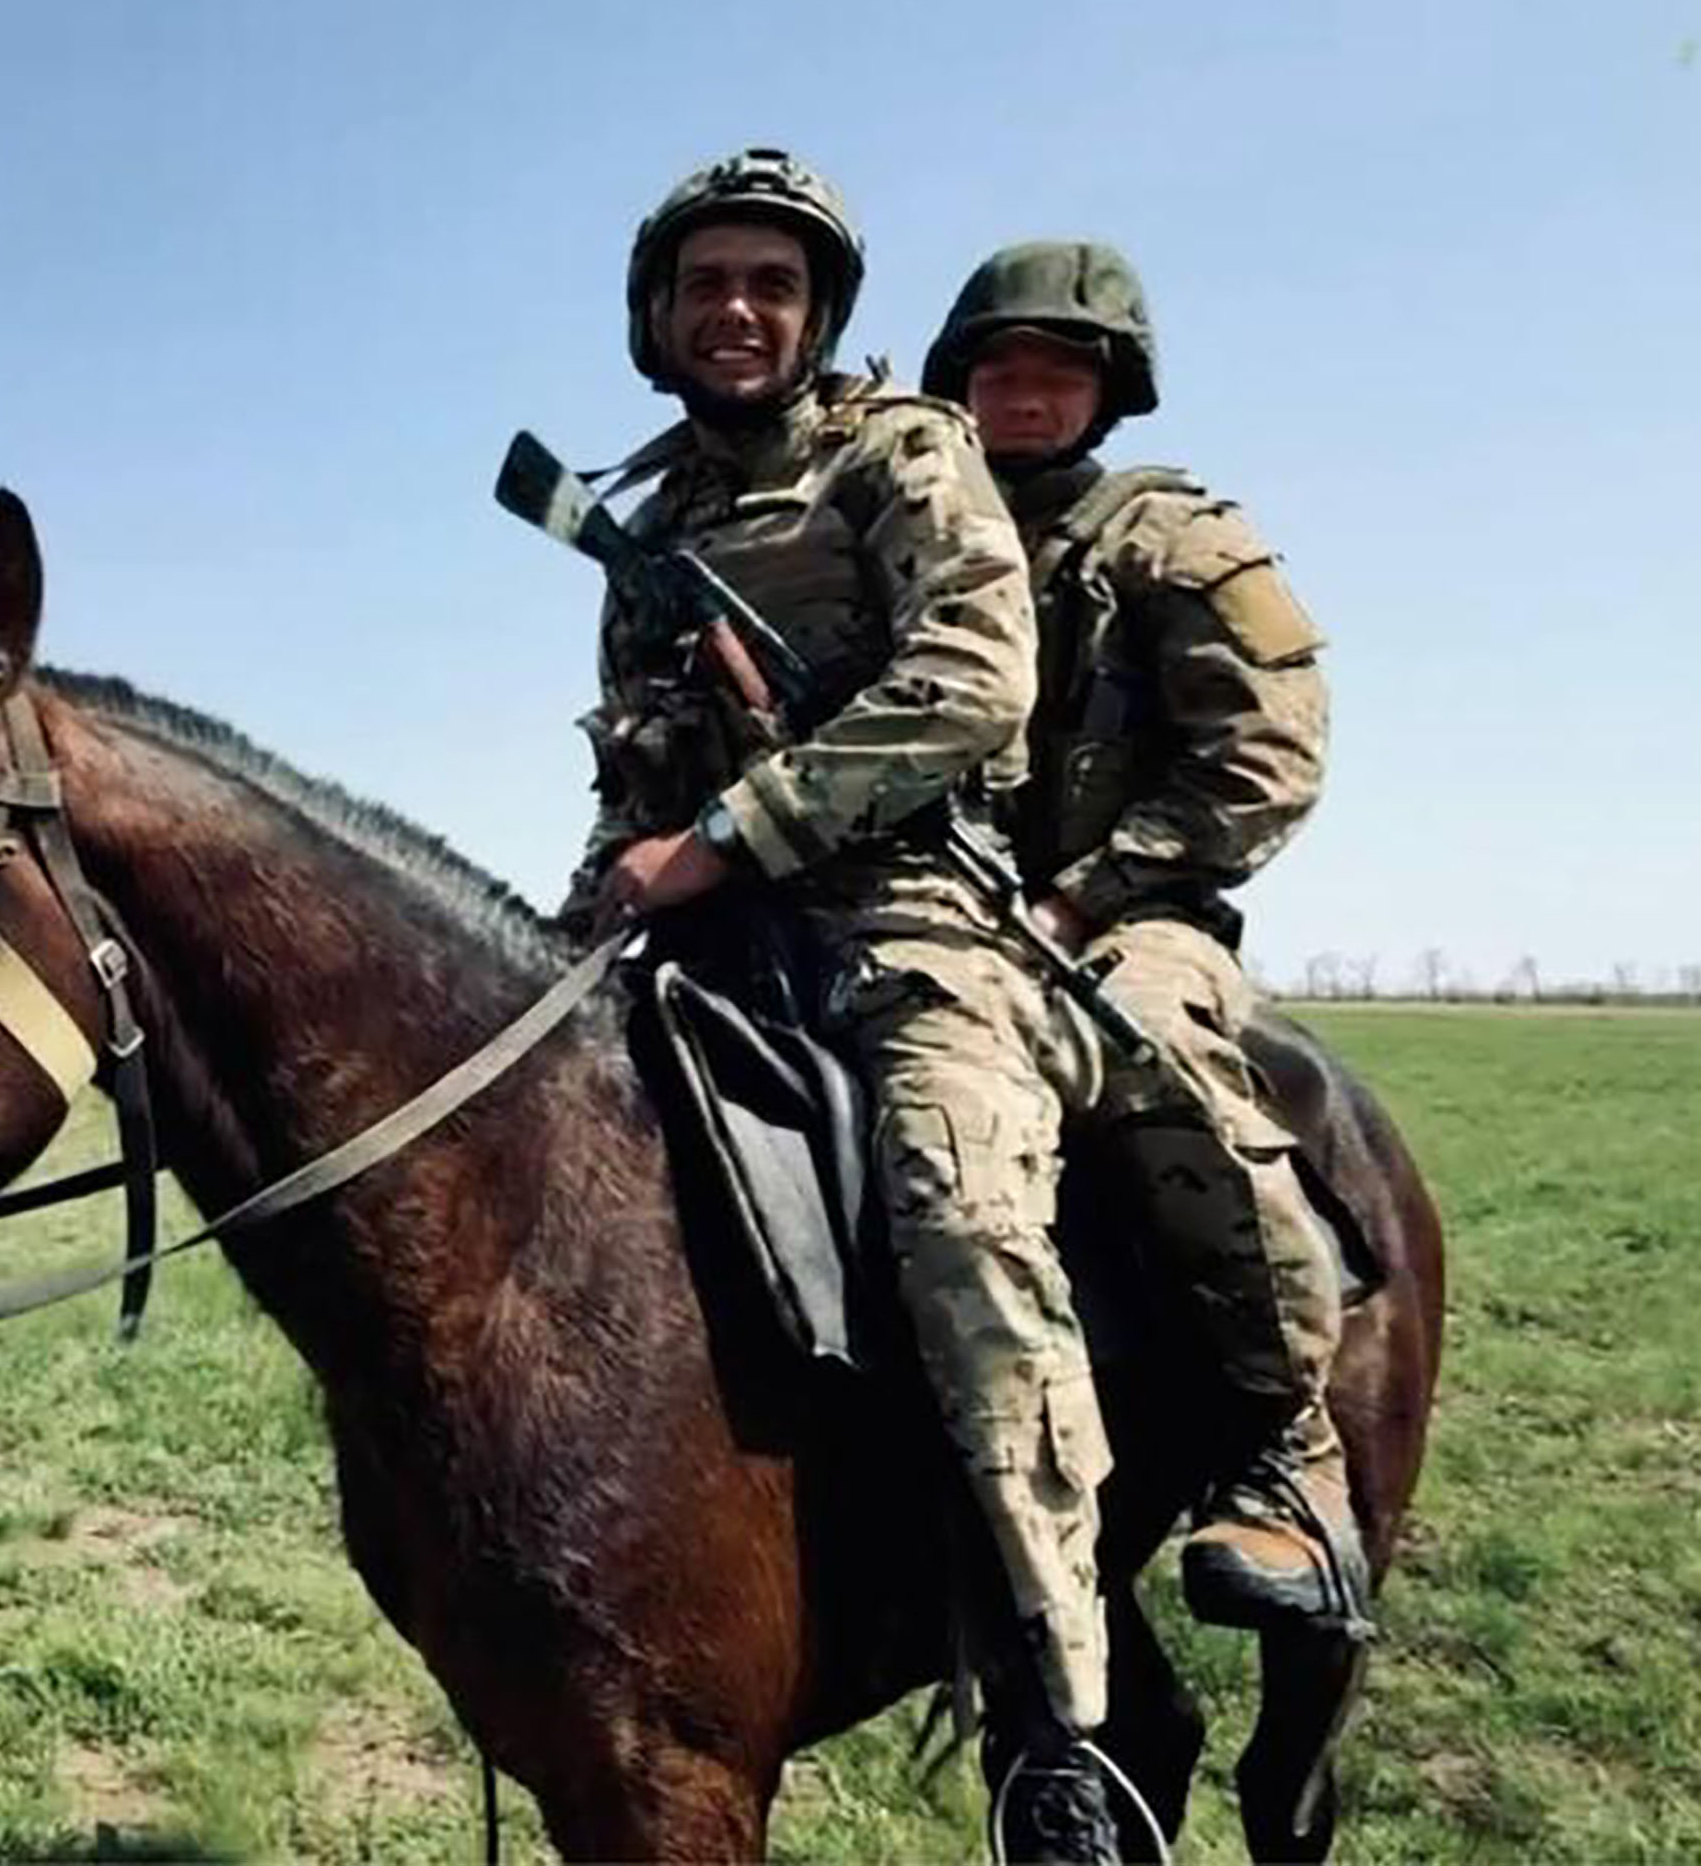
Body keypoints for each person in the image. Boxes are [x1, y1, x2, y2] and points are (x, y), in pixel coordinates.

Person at [563, 151, 1120, 1858]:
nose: (738, 309)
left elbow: (974, 679)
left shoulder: (905, 451)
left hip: (911, 920)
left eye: (773, 286)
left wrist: (731, 835)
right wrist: (601, 887)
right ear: (657, 316)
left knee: (963, 1205)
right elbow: (634, 767)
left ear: (818, 321)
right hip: (698, 925)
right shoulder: (645, 529)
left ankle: (1055, 1715)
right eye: (707, 283)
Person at [921, 239, 1368, 1636]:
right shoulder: (919, 542)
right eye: (1001, 371)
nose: (1025, 398)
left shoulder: (1175, 541)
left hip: (1131, 917)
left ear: (1108, 391)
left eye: (1057, 374)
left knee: (1147, 1048)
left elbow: (1263, 757)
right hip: (939, 908)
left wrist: (1089, 893)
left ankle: (1287, 1446)